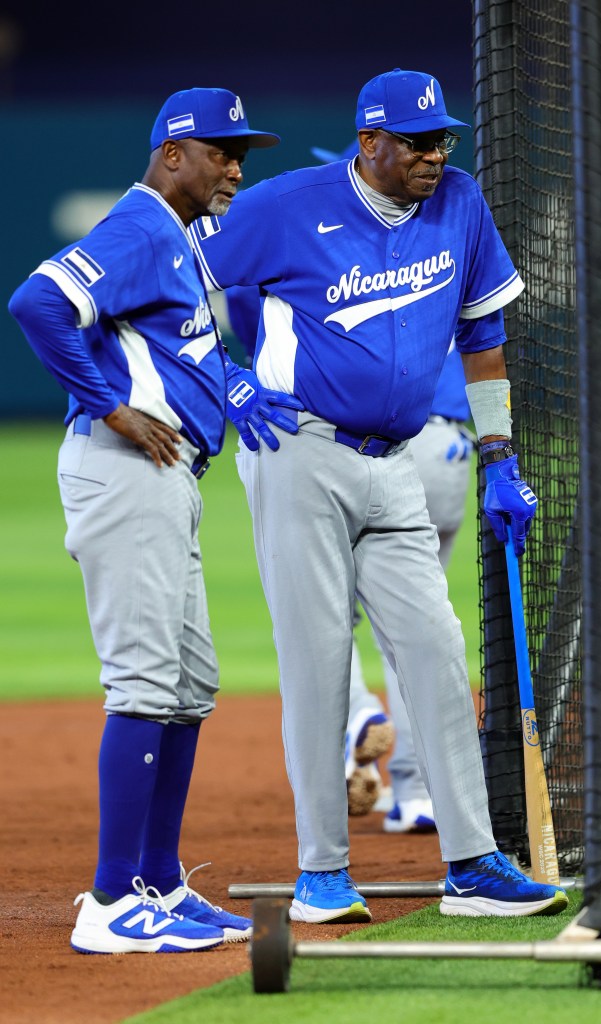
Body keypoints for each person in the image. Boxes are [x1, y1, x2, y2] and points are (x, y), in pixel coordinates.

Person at [190, 68, 568, 924]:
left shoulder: (460, 202)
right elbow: (177, 279)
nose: (436, 155)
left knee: (435, 652)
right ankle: (322, 872)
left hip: (397, 463)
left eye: (442, 139)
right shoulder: (286, 205)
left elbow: (482, 334)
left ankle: (471, 863)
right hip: (299, 455)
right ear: (370, 142)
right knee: (320, 661)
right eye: (418, 141)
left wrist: (499, 454)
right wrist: (226, 380)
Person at [8, 86, 301, 954]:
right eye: (221, 151)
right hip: (125, 472)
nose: (235, 167)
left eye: (240, 151)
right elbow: (36, 303)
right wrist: (106, 406)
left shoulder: (180, 237)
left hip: (166, 479)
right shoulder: (139, 230)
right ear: (172, 154)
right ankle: (108, 904)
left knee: (189, 683)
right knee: (145, 683)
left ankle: (160, 882)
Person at [225, 141, 475, 832]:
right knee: (420, 630)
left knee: (318, 622)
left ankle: (356, 716)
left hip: (341, 438)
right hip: (447, 442)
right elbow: (484, 332)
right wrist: (501, 454)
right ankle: (416, 793)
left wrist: (236, 375)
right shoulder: (447, 228)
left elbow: (240, 309)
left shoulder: (303, 223)